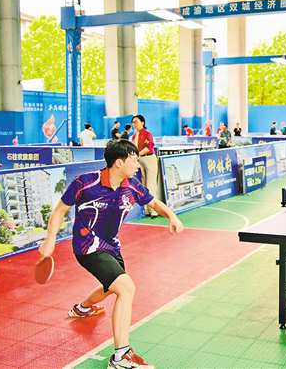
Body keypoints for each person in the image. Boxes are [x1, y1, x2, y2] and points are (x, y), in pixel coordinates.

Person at [38, 139, 184, 369]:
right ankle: (120, 358)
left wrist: (172, 217)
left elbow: (154, 203)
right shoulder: (85, 183)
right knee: (126, 287)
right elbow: (59, 211)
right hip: (87, 246)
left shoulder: (132, 186)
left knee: (111, 286)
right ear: (119, 163)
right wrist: (50, 240)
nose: (137, 164)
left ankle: (83, 308)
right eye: (134, 160)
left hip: (112, 247)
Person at [130, 114, 159, 218]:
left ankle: (154, 210)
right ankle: (147, 209)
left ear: (142, 122)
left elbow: (148, 148)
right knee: (143, 185)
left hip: (149, 158)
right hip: (139, 161)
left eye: (136, 122)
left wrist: (137, 155)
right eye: (133, 122)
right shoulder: (134, 136)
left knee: (151, 184)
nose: (134, 124)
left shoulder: (147, 134)